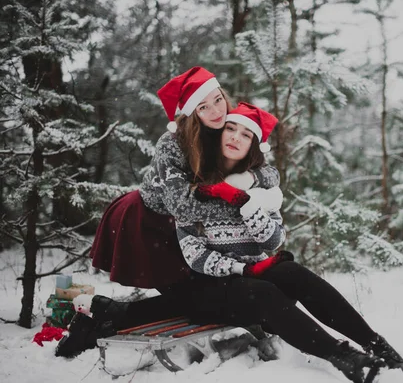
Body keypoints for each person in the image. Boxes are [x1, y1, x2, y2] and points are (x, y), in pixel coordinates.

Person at [55, 67, 279, 356]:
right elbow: (181, 206)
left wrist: (250, 179)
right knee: (194, 299)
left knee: (203, 298)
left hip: (188, 228)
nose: (215, 111)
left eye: (217, 100)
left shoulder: (229, 128)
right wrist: (242, 207)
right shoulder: (173, 143)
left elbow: (267, 169)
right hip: (150, 223)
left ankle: (109, 313)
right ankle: (98, 321)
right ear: (191, 112)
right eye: (203, 106)